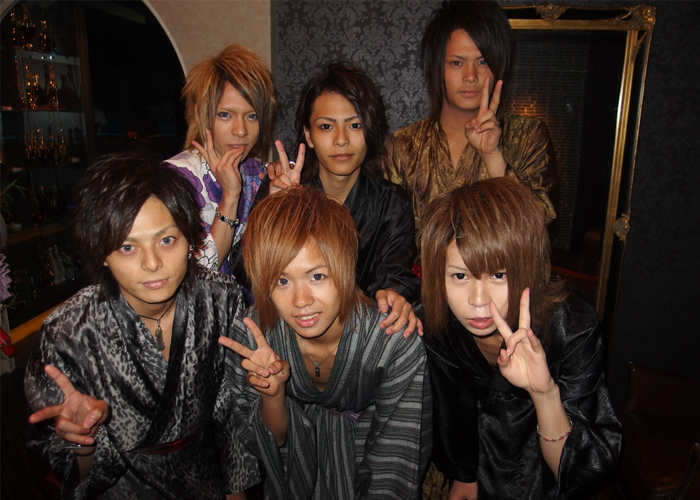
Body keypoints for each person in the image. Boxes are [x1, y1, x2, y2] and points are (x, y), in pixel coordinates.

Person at [24, 154, 260, 499]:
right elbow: (74, 471)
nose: (152, 263)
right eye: (127, 247)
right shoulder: (68, 332)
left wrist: (235, 491)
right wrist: (84, 440)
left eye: (166, 240)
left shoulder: (220, 298)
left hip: (203, 477)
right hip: (122, 486)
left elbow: (229, 410)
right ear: (102, 254)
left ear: (190, 239)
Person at [220, 186, 431, 499]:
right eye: (281, 281)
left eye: (317, 276)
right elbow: (267, 443)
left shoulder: (392, 341)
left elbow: (397, 460)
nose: (301, 300)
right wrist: (272, 395)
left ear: (344, 267)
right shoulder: (253, 336)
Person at [420, 177, 620, 500]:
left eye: (499, 275)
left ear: (527, 265)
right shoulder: (438, 322)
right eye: (460, 275)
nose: (478, 300)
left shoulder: (571, 328)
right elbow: (452, 407)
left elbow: (579, 472)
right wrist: (464, 474)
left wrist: (544, 394)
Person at [257, 60, 421, 335]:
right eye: (326, 127)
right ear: (308, 135)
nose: (341, 139)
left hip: (362, 333)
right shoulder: (280, 187)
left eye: (355, 125)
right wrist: (276, 211)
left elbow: (393, 276)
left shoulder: (392, 203)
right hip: (290, 330)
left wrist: (393, 294)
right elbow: (247, 271)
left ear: (370, 131)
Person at [383, 0, 556, 248]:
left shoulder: (527, 136)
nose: (471, 76)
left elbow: (538, 226)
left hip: (501, 274)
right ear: (436, 67)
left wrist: (493, 156)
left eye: (483, 61)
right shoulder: (403, 146)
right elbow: (388, 242)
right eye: (457, 62)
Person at [167, 44, 277, 274]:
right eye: (225, 115)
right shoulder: (172, 180)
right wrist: (230, 197)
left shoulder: (257, 174)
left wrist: (280, 206)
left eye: (252, 116)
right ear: (200, 115)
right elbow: (193, 277)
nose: (241, 130)